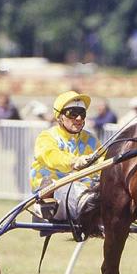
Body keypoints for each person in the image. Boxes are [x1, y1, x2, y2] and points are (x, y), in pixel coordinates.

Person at [29, 91, 102, 223]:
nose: (79, 118)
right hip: (56, 188)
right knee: (76, 191)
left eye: (82, 113)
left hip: (83, 189)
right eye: (72, 113)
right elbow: (52, 156)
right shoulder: (47, 137)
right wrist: (74, 161)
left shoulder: (91, 140)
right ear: (60, 117)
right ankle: (45, 203)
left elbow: (103, 164)